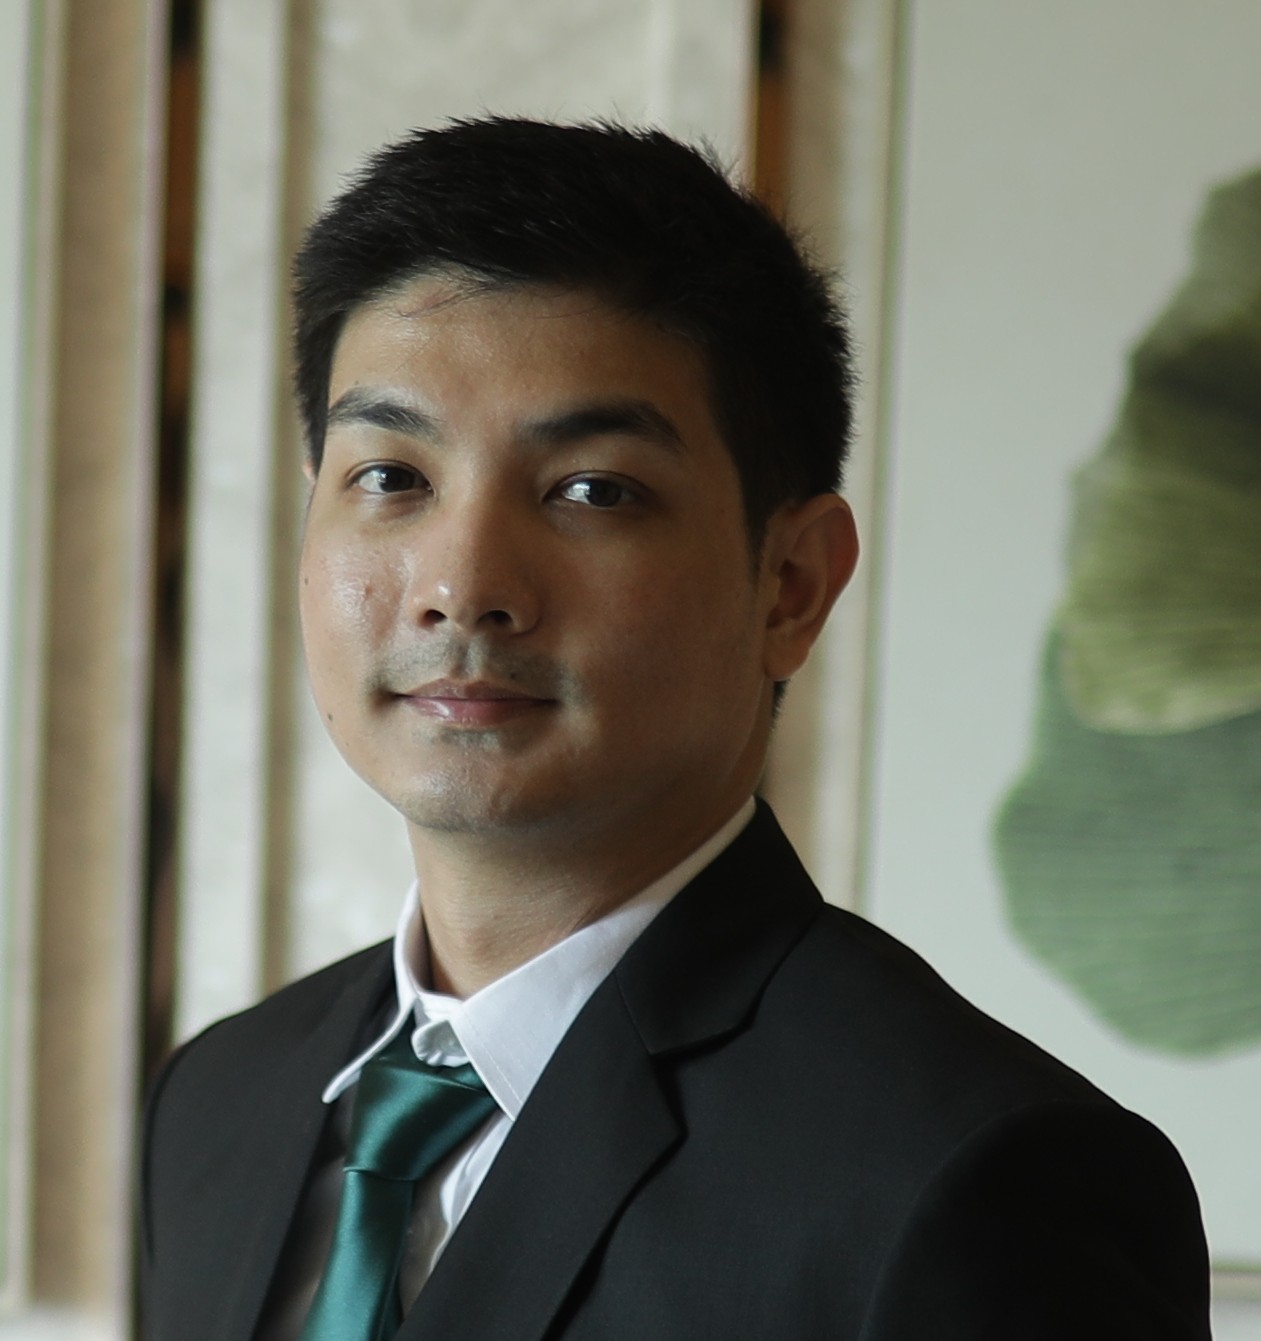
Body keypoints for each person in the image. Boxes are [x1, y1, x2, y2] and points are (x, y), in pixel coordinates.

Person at [139, 117, 1211, 1341]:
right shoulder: (217, 1103)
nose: (463, 583)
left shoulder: (973, 1178)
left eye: (592, 490)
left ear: (790, 584)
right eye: (391, 477)